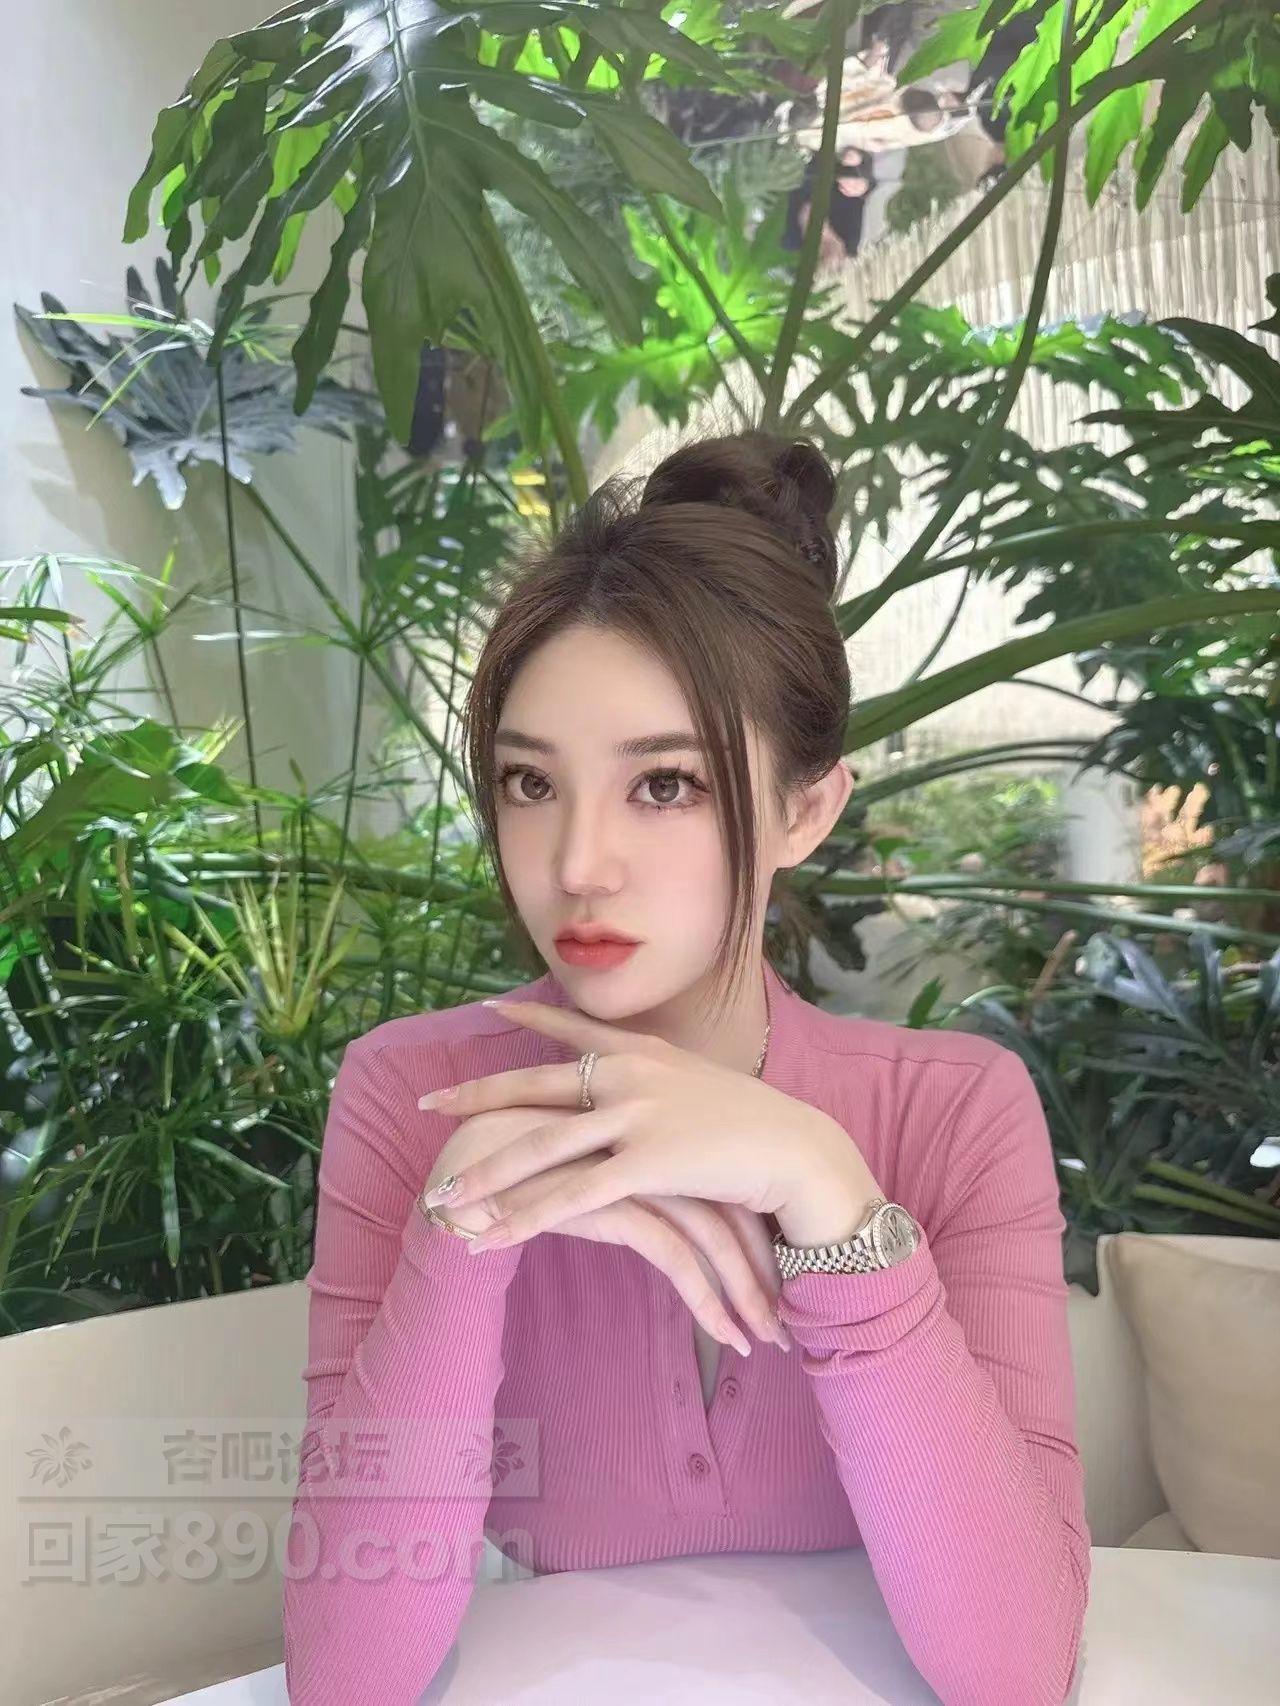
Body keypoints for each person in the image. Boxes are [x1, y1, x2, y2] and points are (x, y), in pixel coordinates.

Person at [281, 428, 1091, 1705]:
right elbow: (348, 1679)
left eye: (663, 784)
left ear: (804, 808)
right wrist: (469, 1220)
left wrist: (825, 1189)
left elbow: (1013, 1669)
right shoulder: (415, 1095)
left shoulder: (950, 1109)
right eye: (528, 782)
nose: (575, 863)